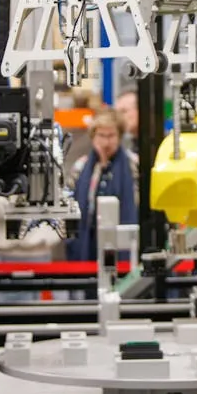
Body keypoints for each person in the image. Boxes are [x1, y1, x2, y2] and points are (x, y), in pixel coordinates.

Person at [67, 108, 139, 263]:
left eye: (111, 135)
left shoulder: (134, 165)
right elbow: (69, 206)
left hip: (123, 242)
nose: (106, 142)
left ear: (119, 136)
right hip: (90, 243)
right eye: (101, 135)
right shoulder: (80, 167)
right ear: (93, 136)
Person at [114, 88, 140, 154]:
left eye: (123, 111)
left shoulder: (166, 144)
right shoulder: (124, 146)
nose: (119, 117)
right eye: (117, 113)